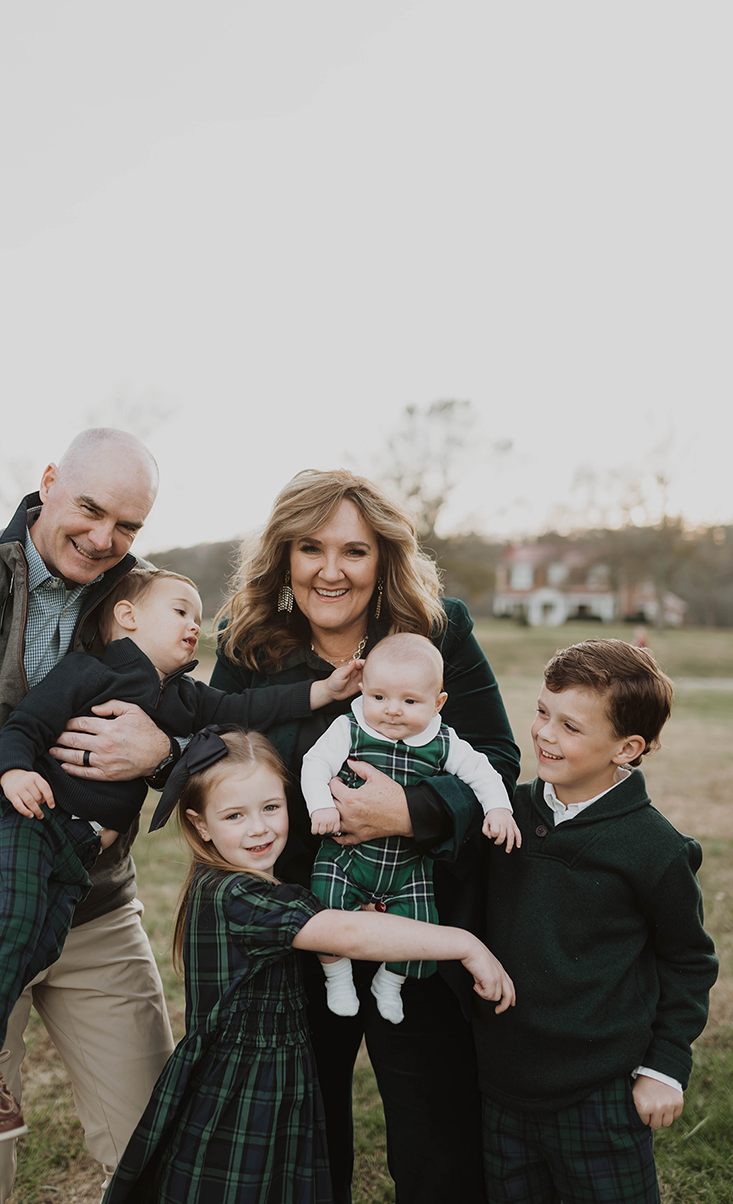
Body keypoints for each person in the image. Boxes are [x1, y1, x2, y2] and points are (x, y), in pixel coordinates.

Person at [0, 566, 360, 1151]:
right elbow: (25, 725)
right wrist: (14, 772)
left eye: (198, 618)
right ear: (129, 617)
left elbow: (247, 707)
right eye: (180, 611)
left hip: (74, 852)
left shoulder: (181, 697)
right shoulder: (91, 670)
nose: (194, 625)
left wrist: (323, 692)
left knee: (35, 944)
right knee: (9, 925)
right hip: (25, 823)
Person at [0, 430, 187, 1204]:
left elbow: (191, 717)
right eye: (89, 509)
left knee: (154, 1133)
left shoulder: (139, 600)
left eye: (128, 525)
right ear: (48, 482)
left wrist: (160, 750)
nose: (104, 538)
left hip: (94, 907)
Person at [210, 468, 521, 1203]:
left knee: (434, 1135)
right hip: (295, 921)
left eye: (353, 550)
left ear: (382, 558)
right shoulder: (248, 645)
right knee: (303, 1126)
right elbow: (216, 761)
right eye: (310, 547)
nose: (330, 569)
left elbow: (498, 762)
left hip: (415, 914)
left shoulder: (439, 633)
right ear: (284, 556)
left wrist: (409, 812)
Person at [102, 727, 515, 1204]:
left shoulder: (245, 885)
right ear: (200, 825)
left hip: (278, 1076)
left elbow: (338, 923)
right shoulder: (237, 894)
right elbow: (344, 934)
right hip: (241, 1088)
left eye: (270, 808)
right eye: (234, 815)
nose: (258, 828)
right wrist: (464, 943)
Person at [473, 639, 718, 1204]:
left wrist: (666, 1065)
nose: (545, 734)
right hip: (502, 1083)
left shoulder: (653, 848)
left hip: (600, 1091)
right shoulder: (504, 815)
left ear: (626, 748)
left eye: (570, 726)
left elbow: (688, 960)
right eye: (541, 712)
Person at [302, 632, 520, 1023]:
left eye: (410, 701)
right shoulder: (348, 729)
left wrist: (498, 810)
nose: (392, 711)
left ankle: (390, 982)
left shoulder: (443, 741)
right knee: (323, 909)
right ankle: (337, 976)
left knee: (421, 926)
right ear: (363, 689)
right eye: (379, 697)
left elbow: (484, 773)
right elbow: (314, 764)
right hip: (346, 857)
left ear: (438, 704)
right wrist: (321, 805)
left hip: (408, 867)